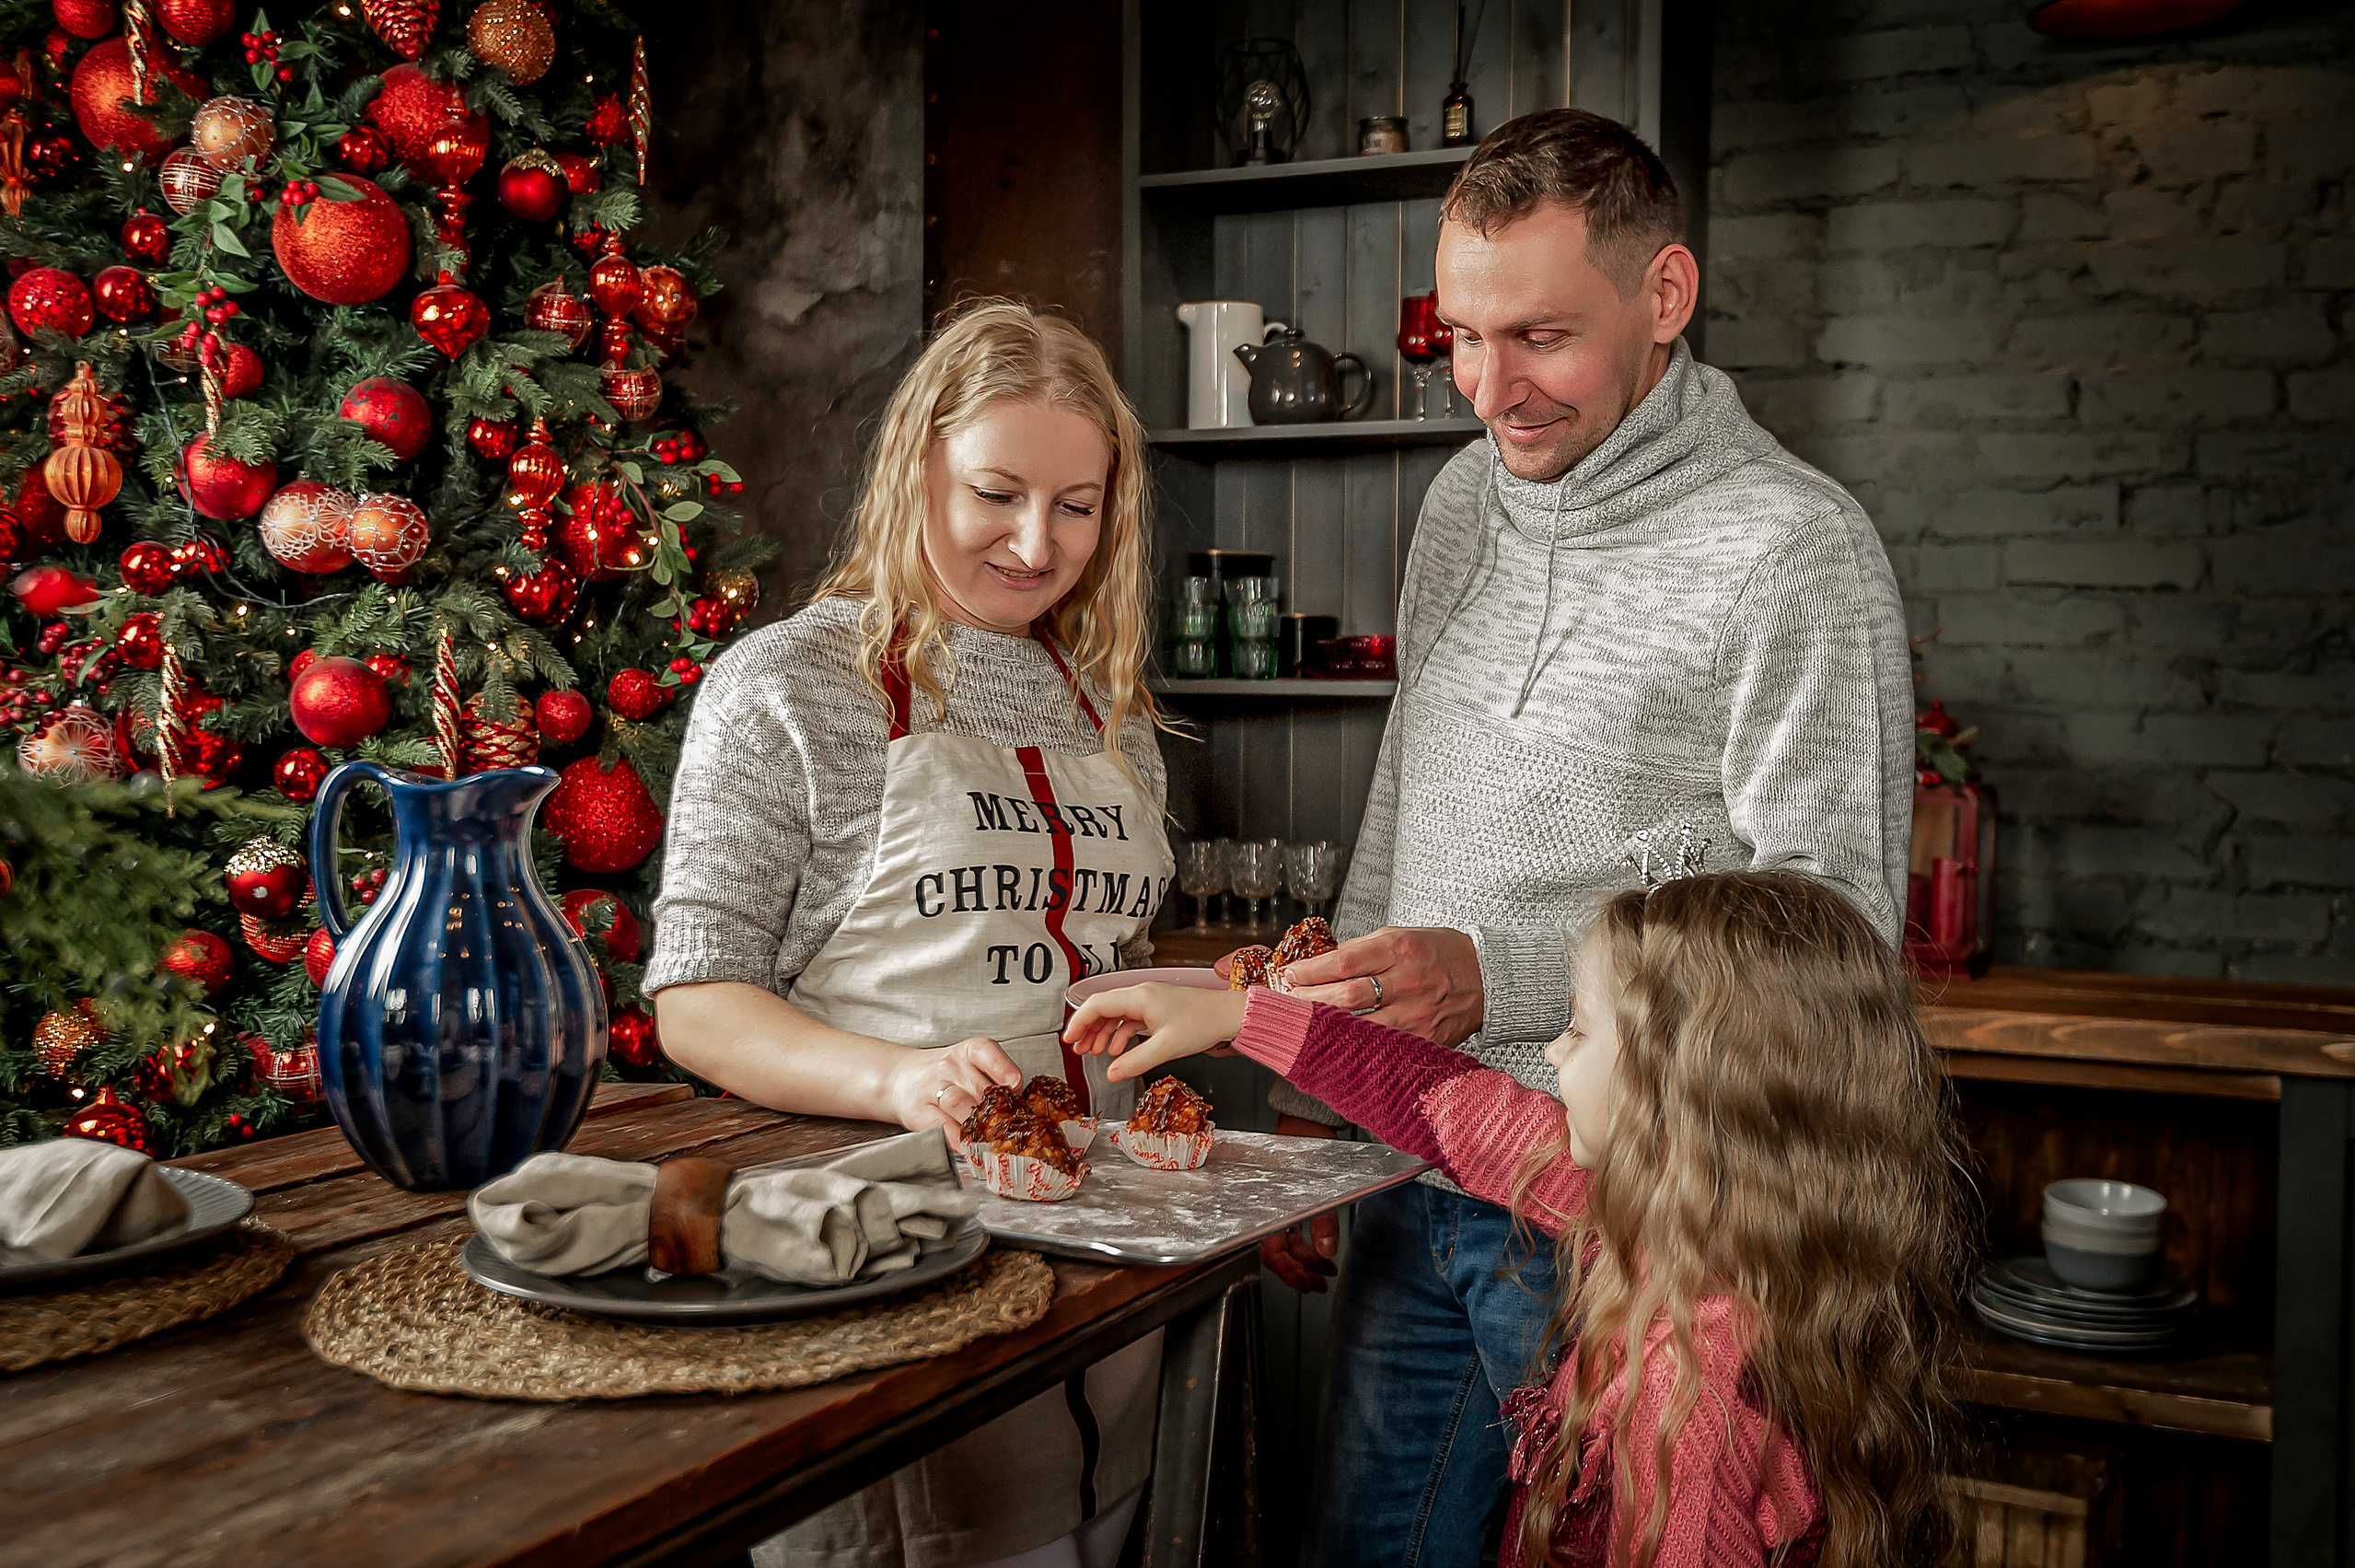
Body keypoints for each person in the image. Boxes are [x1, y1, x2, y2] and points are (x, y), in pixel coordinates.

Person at [1242, 109, 1918, 1567]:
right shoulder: (1460, 505)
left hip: (1616, 1208)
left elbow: (1832, 932)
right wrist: (1324, 1106)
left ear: (1663, 297)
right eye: (1460, 337)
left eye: (1541, 336)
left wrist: (1506, 972)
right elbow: (1404, 792)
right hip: (1410, 1164)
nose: (1491, 390)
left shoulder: (1793, 547)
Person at [645, 299, 1175, 1568]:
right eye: (996, 491)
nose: (1035, 541)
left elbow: (1095, 957)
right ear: (915, 467)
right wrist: (899, 1078)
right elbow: (696, 1000)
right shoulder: (789, 683)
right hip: (887, 1257)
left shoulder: (1109, 708)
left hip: (1105, 1260)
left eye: (1078, 504)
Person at [1073, 871, 1965, 1568]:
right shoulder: (1669, 1215)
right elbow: (1443, 1104)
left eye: (1576, 1031)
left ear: (1669, 1097)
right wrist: (1239, 1013)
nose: (1546, 1052)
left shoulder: (1686, 1405)